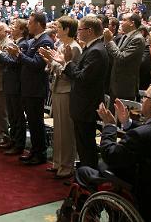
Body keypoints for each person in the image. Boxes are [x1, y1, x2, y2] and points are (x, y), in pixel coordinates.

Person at [76, 82, 151, 222]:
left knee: (83, 171)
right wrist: (127, 123)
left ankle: (85, 215)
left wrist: (110, 126)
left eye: (145, 97)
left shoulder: (141, 135)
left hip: (138, 190)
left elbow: (110, 155)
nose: (142, 100)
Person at [58, 16, 109, 168]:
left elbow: (81, 77)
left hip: (86, 105)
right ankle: (84, 177)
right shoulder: (91, 48)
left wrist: (67, 62)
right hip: (82, 103)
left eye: (80, 29)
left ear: (90, 31)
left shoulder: (97, 51)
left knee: (86, 145)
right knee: (83, 144)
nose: (78, 32)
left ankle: (88, 179)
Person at [7, 13, 54, 165]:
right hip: (29, 88)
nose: (28, 25)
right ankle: (34, 151)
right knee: (33, 123)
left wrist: (18, 55)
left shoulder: (45, 41)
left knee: (36, 123)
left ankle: (40, 154)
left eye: (31, 22)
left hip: (36, 88)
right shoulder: (36, 40)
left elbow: (36, 64)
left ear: (39, 24)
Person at [39, 16, 81, 179]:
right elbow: (56, 67)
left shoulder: (74, 48)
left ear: (67, 29)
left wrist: (53, 61)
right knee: (58, 129)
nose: (55, 29)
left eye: (58, 27)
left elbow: (70, 71)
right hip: (57, 88)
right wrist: (49, 62)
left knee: (66, 130)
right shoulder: (61, 45)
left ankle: (67, 166)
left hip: (67, 90)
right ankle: (57, 162)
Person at [0, 19, 29, 155]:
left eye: (14, 27)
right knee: (12, 116)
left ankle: (19, 144)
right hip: (9, 83)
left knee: (18, 116)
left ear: (21, 30)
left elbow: (12, 63)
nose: (11, 29)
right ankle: (13, 140)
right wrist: (0, 54)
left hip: (16, 84)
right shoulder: (15, 43)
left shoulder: (23, 44)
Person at [103, 13, 146, 102]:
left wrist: (110, 41)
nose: (121, 22)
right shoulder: (125, 36)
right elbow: (114, 56)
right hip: (116, 84)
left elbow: (121, 57)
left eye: (124, 20)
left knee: (121, 114)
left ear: (132, 23)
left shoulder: (138, 39)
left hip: (125, 86)